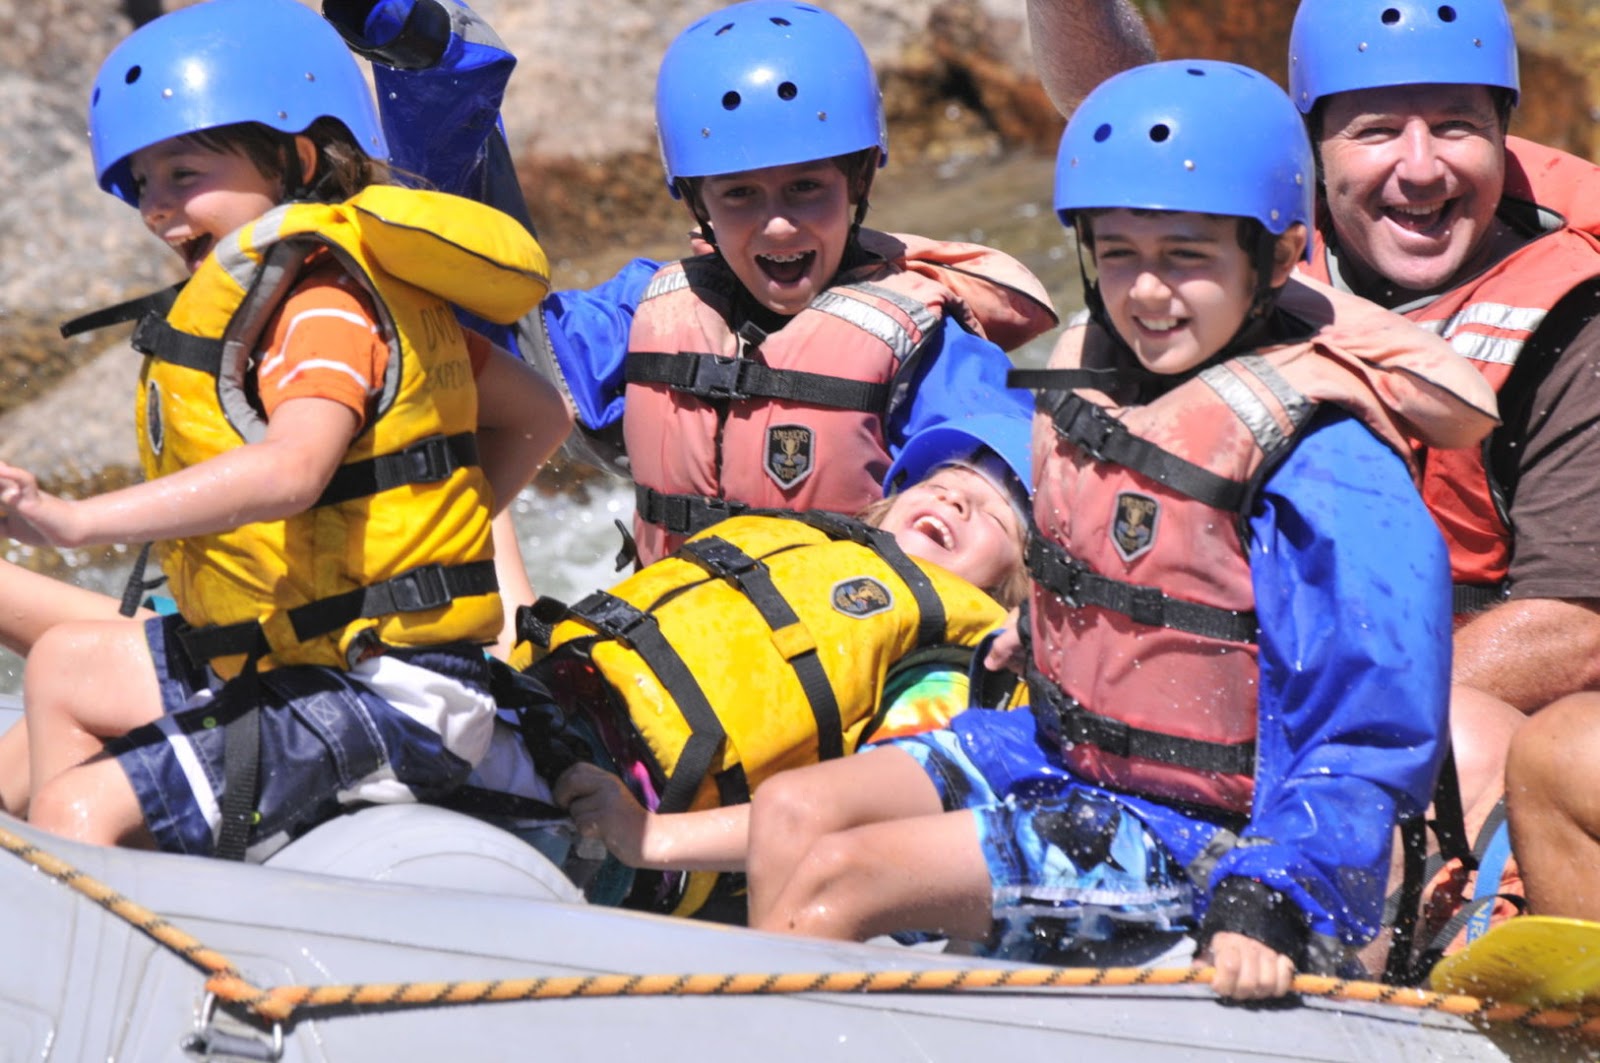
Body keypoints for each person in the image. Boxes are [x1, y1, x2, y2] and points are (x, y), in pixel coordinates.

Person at [742, 60, 1498, 1000]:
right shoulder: (1107, 380)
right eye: (1120, 253)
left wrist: (1272, 891)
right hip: (1064, 760)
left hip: (1220, 842)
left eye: (1185, 256)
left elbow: (1373, 736)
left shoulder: (1329, 465)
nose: (1146, 292)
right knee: (792, 813)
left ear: (1276, 256)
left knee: (839, 883)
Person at [1029, 0, 1600, 960]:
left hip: (1463, 694)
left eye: (1456, 124)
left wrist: (1332, 710)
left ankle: (1444, 934)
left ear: (1505, 133)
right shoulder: (1245, 242)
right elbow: (1116, 107)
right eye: (1376, 130)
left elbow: (1580, 629)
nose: (1420, 167)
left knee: (1454, 726)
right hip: (1254, 640)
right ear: (1309, 150)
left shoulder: (1575, 321)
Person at [0, 0, 569, 859]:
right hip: (309, 651)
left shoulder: (324, 307)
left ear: (296, 157)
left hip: (396, 691)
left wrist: (75, 521)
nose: (158, 209)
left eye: (184, 173)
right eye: (142, 185)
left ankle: (125, 948)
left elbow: (294, 472)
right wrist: (405, 528)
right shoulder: (303, 296)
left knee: (81, 811)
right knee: (63, 666)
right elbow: (540, 413)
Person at [335, 0, 1056, 573]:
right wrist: (432, 87)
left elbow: (1002, 459)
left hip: (852, 676)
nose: (777, 226)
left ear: (860, 180)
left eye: (807, 188)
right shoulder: (643, 312)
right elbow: (489, 316)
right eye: (740, 195)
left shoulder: (925, 347)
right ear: (694, 202)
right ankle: (449, 68)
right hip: (682, 666)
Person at [479, 412, 1036, 920]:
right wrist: (479, 485)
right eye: (940, 484)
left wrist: (646, 834)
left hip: (611, 821)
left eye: (995, 514)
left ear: (1018, 590)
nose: (956, 502)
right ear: (885, 509)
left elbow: (866, 827)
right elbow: (523, 636)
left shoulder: (948, 667)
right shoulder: (789, 554)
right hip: (533, 717)